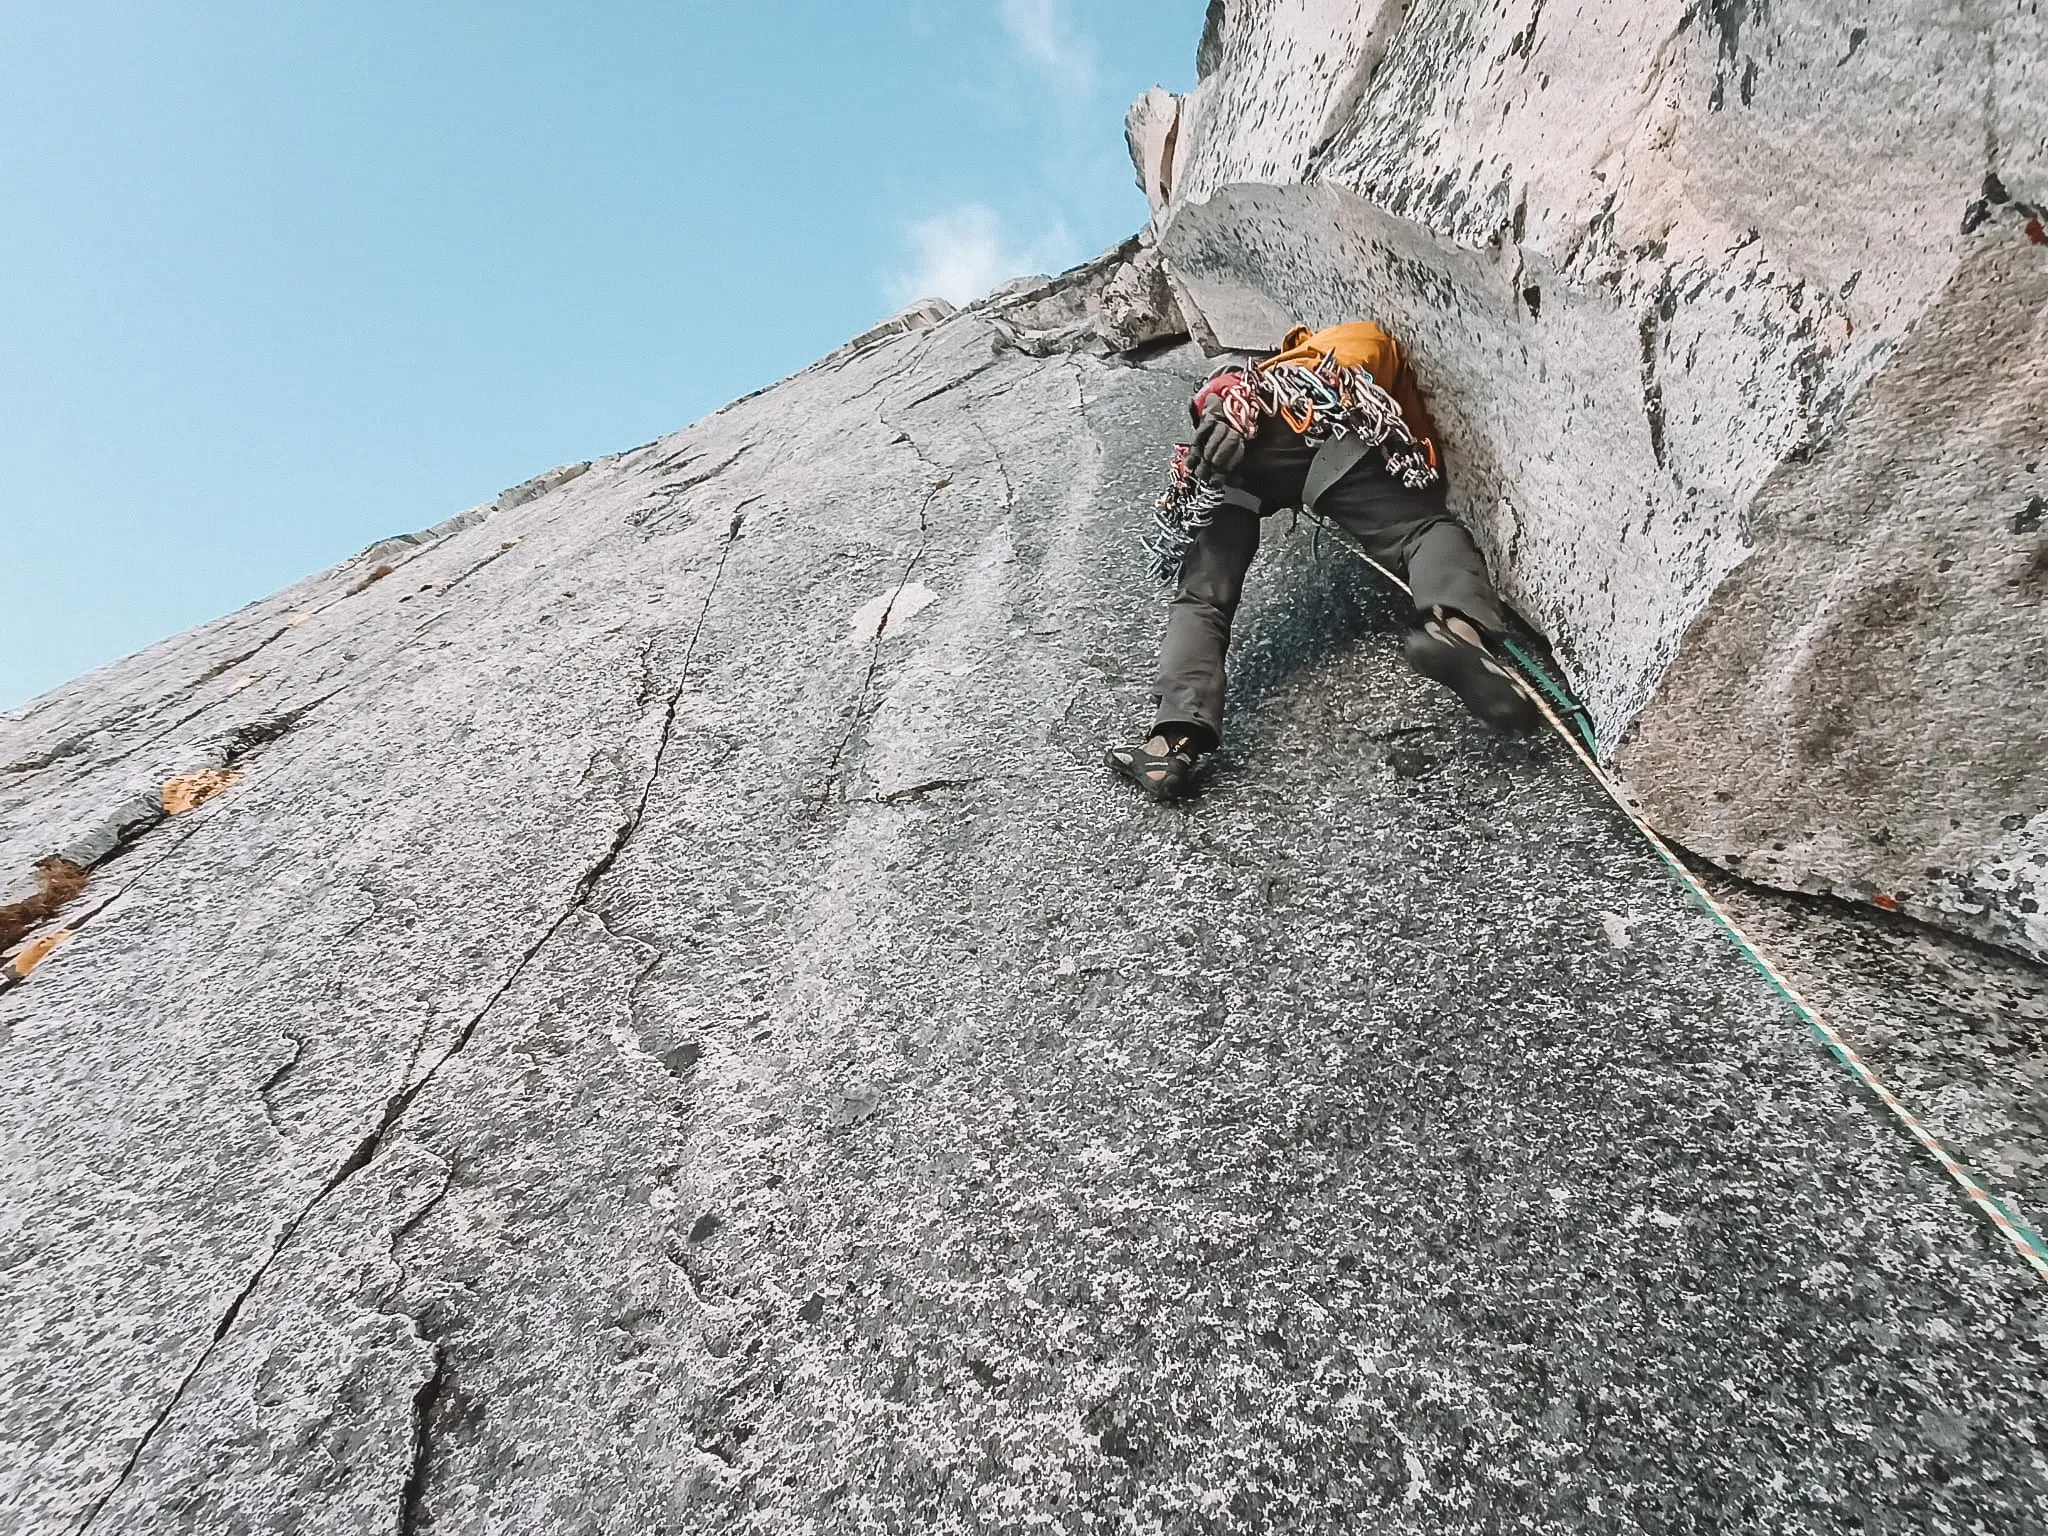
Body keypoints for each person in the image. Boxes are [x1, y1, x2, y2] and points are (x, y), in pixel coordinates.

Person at [1106, 321, 1537, 801]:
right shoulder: (1330, 345)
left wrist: (1219, 412)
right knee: (1424, 532)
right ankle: (1456, 631)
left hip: (1221, 465)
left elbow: (1219, 391)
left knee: (1202, 598)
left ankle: (1170, 741)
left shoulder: (1268, 367)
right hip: (1306, 432)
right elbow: (1355, 355)